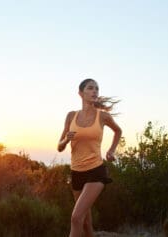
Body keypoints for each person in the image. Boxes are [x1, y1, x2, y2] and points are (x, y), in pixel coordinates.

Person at [57, 78, 122, 237]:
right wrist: (66, 139)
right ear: (81, 93)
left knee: (76, 217)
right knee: (85, 223)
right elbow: (59, 146)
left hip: (96, 171)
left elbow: (118, 131)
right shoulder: (71, 116)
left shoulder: (103, 116)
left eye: (97, 89)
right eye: (90, 88)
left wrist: (112, 150)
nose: (95, 91)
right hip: (76, 172)